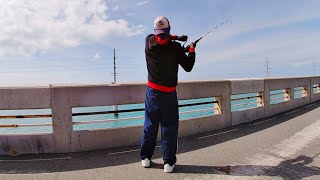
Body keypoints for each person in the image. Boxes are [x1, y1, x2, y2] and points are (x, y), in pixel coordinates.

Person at [140, 16, 196, 173]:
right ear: (169, 29)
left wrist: (177, 38)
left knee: (150, 126)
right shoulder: (176, 49)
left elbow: (162, 39)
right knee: (169, 128)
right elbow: (188, 66)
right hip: (169, 96)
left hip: (152, 94)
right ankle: (168, 163)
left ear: (155, 31)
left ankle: (145, 157)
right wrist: (191, 51)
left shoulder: (148, 42)